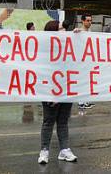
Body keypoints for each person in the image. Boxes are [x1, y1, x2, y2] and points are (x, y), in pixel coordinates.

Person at [38, 20, 77, 164]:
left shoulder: (69, 45)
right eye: (61, 29)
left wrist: (79, 37)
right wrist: (52, 93)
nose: (64, 31)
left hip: (67, 89)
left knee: (63, 121)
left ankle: (64, 149)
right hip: (50, 91)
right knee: (48, 121)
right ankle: (44, 151)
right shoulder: (45, 51)